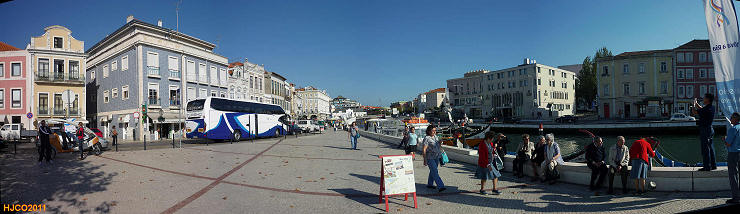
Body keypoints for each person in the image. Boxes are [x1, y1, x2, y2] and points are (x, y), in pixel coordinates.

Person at [693, 93, 717, 171]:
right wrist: (697, 104)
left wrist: (693, 104)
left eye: (704, 98)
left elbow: (695, 112)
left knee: (705, 149)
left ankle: (707, 166)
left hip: (705, 130)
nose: (703, 99)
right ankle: (713, 165)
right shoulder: (711, 108)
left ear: (707, 99)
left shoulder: (706, 109)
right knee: (711, 148)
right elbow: (701, 110)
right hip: (710, 129)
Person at [476, 131, 502, 195]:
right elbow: (482, 156)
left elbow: (491, 151)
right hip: (484, 163)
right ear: (488, 138)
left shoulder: (491, 144)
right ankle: (482, 189)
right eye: (492, 138)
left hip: (490, 163)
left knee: (495, 175)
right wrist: (487, 164)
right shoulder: (482, 144)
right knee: (484, 176)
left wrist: (494, 151)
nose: (492, 140)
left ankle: (495, 189)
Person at [423, 125, 446, 192]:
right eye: (433, 130)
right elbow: (424, 149)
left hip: (436, 156)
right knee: (435, 171)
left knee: (433, 170)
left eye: (435, 130)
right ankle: (440, 186)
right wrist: (425, 160)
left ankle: (430, 184)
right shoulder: (427, 138)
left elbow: (438, 145)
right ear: (429, 131)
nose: (434, 132)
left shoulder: (435, 137)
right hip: (430, 157)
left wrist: (440, 142)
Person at [724, 112, 740, 204]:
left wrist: (724, 140)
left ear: (735, 119)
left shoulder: (733, 129)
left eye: (731, 117)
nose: (730, 118)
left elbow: (728, 143)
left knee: (733, 175)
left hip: (733, 154)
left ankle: (736, 198)